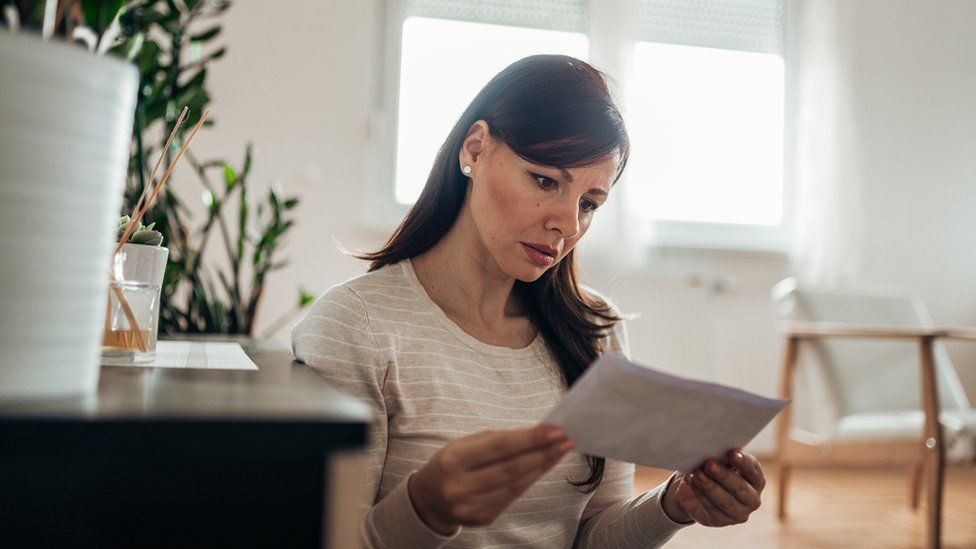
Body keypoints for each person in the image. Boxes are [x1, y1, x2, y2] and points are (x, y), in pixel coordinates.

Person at [292, 54, 765, 548]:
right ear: (474, 148)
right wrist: (425, 506)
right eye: (545, 180)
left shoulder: (594, 329)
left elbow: (593, 537)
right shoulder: (354, 327)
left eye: (589, 203)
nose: (568, 223)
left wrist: (671, 505)